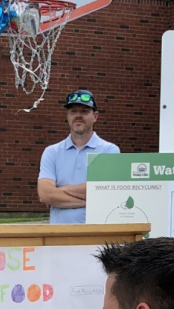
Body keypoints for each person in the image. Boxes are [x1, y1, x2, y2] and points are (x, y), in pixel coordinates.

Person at [38, 89, 120, 224]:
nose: (78, 115)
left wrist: (59, 191)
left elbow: (104, 192)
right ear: (68, 116)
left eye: (84, 111)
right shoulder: (51, 152)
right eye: (73, 111)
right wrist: (88, 201)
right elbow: (45, 194)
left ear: (95, 116)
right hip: (59, 236)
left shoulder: (109, 150)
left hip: (98, 235)